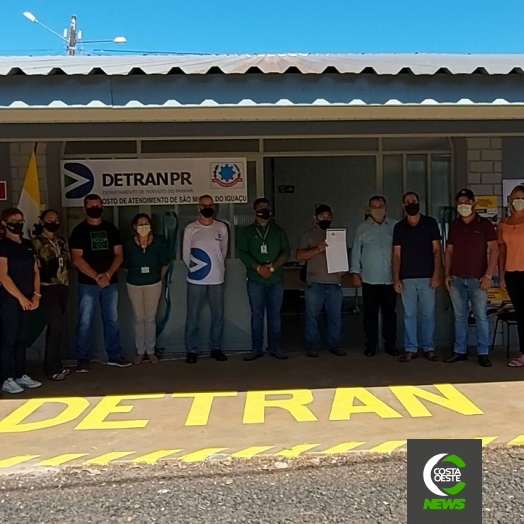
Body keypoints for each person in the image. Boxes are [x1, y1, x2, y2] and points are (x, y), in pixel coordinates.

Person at [69, 194, 131, 372]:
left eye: (97, 205)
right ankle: (82, 359)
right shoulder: (79, 231)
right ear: (85, 208)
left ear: (102, 206)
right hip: (88, 284)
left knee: (112, 320)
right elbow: (76, 258)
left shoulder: (111, 229)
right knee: (85, 321)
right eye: (91, 205)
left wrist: (108, 274)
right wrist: (97, 276)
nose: (94, 208)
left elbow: (119, 254)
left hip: (110, 283)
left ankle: (114, 355)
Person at [444, 189, 498, 368]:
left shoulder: (485, 225)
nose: (463, 206)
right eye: (460, 203)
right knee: (459, 316)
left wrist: (488, 275)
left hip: (478, 279)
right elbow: (449, 251)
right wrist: (446, 274)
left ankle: (483, 352)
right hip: (457, 278)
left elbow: (495, 250)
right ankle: (460, 351)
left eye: (466, 202)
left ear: (474, 203)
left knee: (481, 316)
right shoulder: (454, 225)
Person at [392, 192, 442, 362]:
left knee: (428, 314)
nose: (411, 203)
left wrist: (437, 273)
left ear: (419, 203)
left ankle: (429, 348)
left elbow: (437, 250)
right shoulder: (399, 227)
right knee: (409, 315)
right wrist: (396, 277)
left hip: (427, 277)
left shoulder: (430, 223)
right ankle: (411, 348)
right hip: (406, 277)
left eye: (413, 201)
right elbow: (396, 254)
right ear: (403, 205)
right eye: (407, 202)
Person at [239, 198, 290, 361]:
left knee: (275, 315)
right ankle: (256, 348)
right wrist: (259, 268)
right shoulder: (247, 232)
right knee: (257, 315)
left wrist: (272, 267)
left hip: (275, 278)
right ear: (254, 211)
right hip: (255, 279)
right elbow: (243, 253)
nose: (264, 210)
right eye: (261, 208)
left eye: (267, 207)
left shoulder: (279, 231)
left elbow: (286, 252)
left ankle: (275, 347)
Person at [0, 208, 42, 393]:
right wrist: (21, 298)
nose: (17, 223)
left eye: (20, 219)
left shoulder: (27, 244)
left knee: (22, 338)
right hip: (10, 298)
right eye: (13, 220)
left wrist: (36, 294)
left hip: (29, 297)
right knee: (9, 338)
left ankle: (21, 374)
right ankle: (7, 378)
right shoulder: (3, 246)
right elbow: (3, 276)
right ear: (4, 223)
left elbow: (35, 271)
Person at [183, 195, 229, 364]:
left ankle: (215, 347)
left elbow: (223, 253)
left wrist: (216, 268)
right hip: (196, 280)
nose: (208, 207)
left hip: (217, 278)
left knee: (217, 315)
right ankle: (191, 350)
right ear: (199, 207)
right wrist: (197, 271)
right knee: (193, 315)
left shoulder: (222, 228)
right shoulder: (190, 229)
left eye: (210, 205)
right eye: (204, 205)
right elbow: (186, 255)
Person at [351, 196, 399, 357]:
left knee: (390, 314)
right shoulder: (362, 228)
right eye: (374, 206)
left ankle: (390, 344)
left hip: (390, 279)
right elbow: (356, 251)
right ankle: (370, 344)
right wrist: (355, 273)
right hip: (370, 279)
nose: (377, 209)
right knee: (370, 314)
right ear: (369, 209)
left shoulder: (395, 226)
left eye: (380, 206)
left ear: (386, 207)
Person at [296, 204, 346, 358]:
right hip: (314, 282)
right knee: (312, 317)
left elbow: (343, 256)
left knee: (335, 317)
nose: (326, 218)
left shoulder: (337, 235)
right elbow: (299, 255)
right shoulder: (308, 235)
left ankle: (335, 345)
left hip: (334, 283)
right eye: (323, 215)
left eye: (328, 216)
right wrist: (317, 249)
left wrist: (343, 268)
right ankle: (312, 346)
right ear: (315, 218)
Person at [124, 213, 168, 365]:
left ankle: (150, 351)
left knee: (150, 319)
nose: (143, 226)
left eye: (146, 223)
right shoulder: (129, 244)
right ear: (135, 227)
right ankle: (140, 352)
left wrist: (158, 280)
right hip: (134, 283)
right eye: (140, 224)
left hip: (153, 283)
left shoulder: (158, 241)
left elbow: (164, 263)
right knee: (139, 319)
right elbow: (125, 265)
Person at [33, 209, 71, 380]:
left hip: (62, 286)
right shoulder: (36, 242)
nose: (53, 222)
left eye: (55, 219)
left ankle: (55, 363)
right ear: (41, 221)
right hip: (46, 288)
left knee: (56, 329)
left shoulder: (61, 241)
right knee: (56, 326)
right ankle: (51, 368)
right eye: (49, 219)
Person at [498, 184, 524, 367]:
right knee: (521, 314)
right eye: (516, 198)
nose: (519, 202)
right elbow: (501, 251)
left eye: (522, 198)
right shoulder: (503, 224)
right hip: (511, 274)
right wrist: (500, 275)